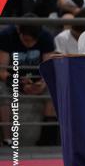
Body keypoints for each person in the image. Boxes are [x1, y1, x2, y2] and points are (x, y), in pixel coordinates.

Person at [0, 14, 58, 146]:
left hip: (37, 80)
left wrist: (42, 83)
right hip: (12, 80)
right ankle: (7, 139)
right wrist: (19, 84)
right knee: (2, 92)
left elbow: (48, 67)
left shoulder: (46, 37)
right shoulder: (6, 36)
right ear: (19, 31)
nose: (29, 44)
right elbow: (2, 71)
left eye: (33, 42)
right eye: (26, 40)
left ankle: (47, 140)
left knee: (53, 92)